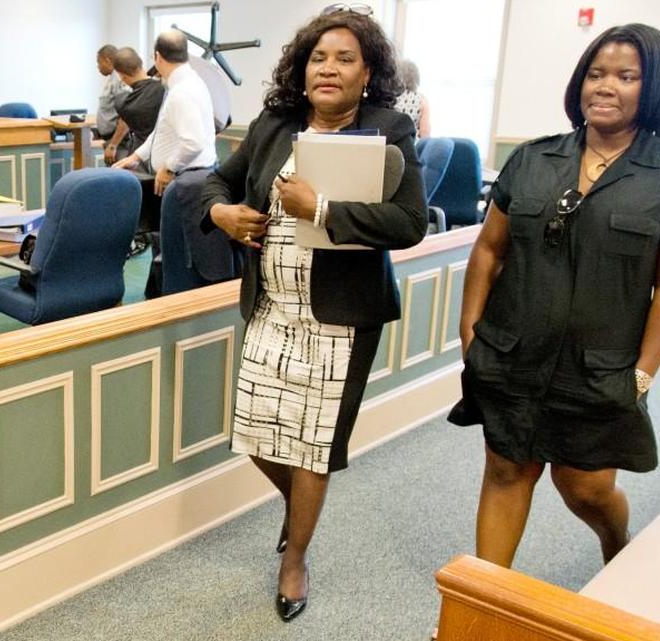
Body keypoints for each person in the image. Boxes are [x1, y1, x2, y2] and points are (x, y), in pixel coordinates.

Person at [449, 24, 660, 571]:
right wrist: (470, 333)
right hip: (512, 353)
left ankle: (616, 542)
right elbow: (489, 250)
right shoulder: (533, 159)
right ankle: (480, 608)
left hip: (600, 368)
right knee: (507, 470)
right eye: (596, 74)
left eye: (626, 76)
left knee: (585, 487)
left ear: (653, 88)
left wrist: (642, 374)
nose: (605, 86)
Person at [200, 8, 427, 621]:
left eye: (345, 59)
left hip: (341, 319)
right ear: (302, 69)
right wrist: (222, 213)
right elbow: (215, 183)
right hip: (271, 308)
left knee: (314, 449)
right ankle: (296, 508)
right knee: (256, 435)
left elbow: (409, 223)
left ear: (368, 73)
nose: (329, 68)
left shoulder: (388, 130)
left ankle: (295, 558)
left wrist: (321, 209)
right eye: (318, 57)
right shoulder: (274, 124)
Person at [113, 30, 216, 197]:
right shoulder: (187, 83)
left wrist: (169, 167)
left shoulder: (182, 92)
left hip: (184, 181)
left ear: (158, 57)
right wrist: (136, 157)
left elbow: (194, 143)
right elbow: (161, 131)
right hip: (186, 176)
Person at [104, 47, 165, 165]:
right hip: (163, 155)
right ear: (140, 64)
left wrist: (112, 145)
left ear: (122, 75)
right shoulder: (165, 89)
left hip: (140, 157)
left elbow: (123, 123)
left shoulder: (124, 102)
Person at [95, 44, 129, 145]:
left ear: (107, 60)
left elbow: (125, 116)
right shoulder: (112, 78)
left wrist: (113, 145)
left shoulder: (119, 78)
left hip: (118, 140)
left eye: (99, 62)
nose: (98, 66)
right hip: (110, 139)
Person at [394, 59, 430, 139]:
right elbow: (424, 133)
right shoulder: (422, 100)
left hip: (394, 143)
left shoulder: (391, 98)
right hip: (413, 144)